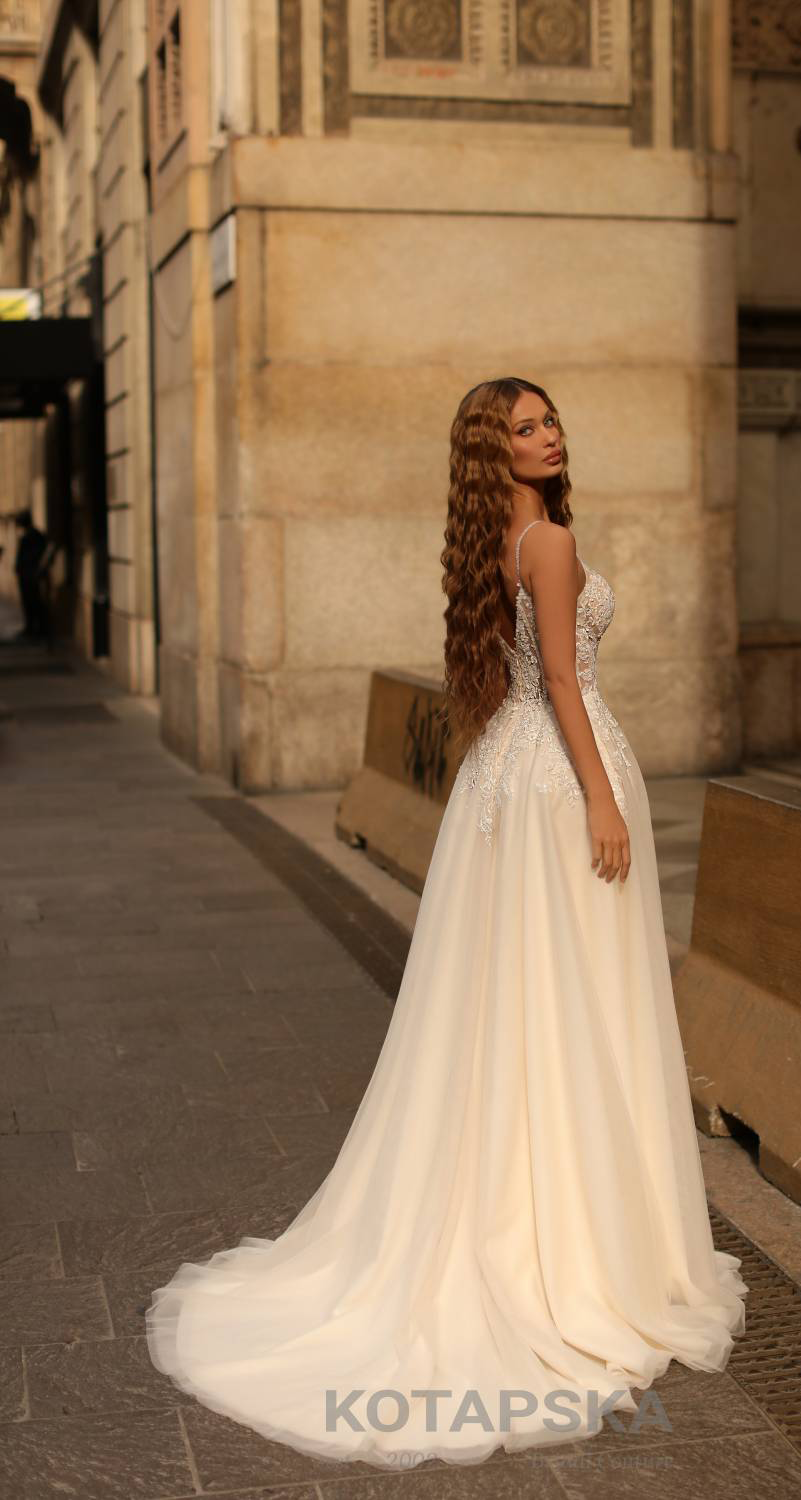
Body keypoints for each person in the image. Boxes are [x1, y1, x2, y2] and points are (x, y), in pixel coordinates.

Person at [144, 377, 749, 1469]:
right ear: (494, 454)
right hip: (563, 780)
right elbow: (564, 679)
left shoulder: (500, 544)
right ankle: (582, 1247)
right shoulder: (551, 547)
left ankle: (534, 1214)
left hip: (506, 784)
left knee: (516, 1012)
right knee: (575, 1011)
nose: (550, 432)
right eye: (525, 427)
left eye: (551, 417)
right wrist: (605, 803)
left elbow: (522, 680)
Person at [13, 507, 51, 641]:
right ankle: (34, 628)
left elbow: (27, 557)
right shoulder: (34, 535)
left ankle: (36, 628)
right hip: (28, 574)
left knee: (32, 602)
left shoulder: (31, 536)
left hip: (29, 574)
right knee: (31, 602)